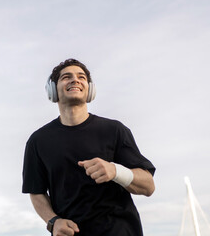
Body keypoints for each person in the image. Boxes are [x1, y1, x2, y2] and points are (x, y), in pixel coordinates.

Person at [22, 58, 156, 236]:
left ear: (90, 89)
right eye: (66, 77)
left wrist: (115, 171)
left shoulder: (114, 130)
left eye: (81, 77)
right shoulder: (38, 141)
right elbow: (36, 192)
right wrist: (53, 222)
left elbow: (148, 186)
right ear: (53, 90)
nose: (75, 80)